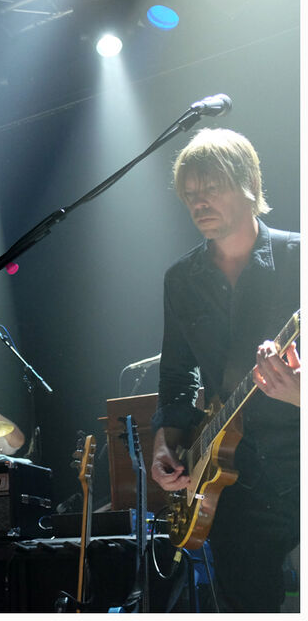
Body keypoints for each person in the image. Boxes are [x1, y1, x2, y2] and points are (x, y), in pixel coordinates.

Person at [149, 128, 300, 612]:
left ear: (249, 184)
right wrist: (165, 443)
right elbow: (177, 377)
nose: (199, 203)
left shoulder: (298, 259)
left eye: (210, 188)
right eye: (190, 194)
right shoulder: (181, 279)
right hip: (230, 478)